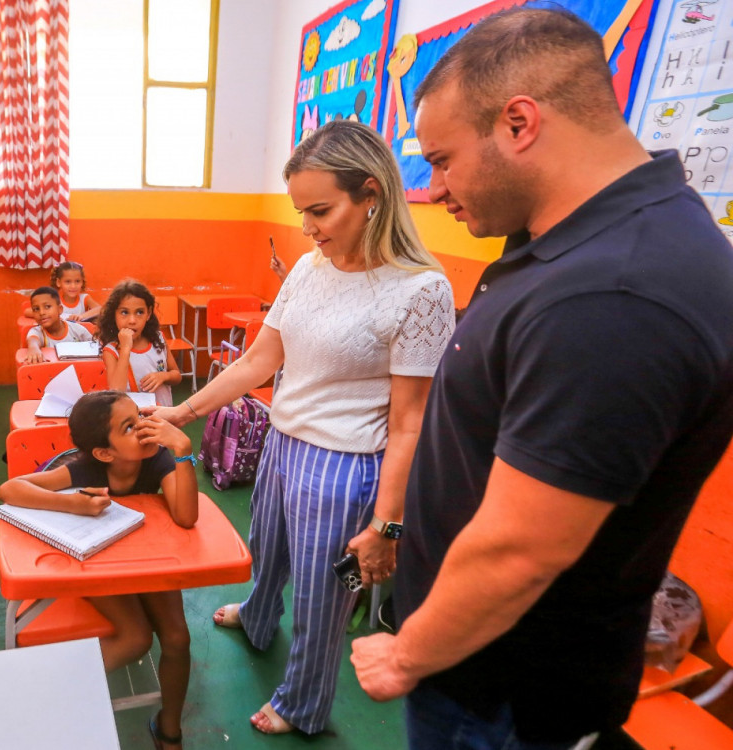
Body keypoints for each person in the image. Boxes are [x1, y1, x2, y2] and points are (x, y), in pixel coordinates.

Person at [349, 9, 733, 748]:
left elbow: (521, 549)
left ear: (519, 123)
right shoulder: (569, 243)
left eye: (442, 159)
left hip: (501, 699)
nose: (432, 189)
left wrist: (406, 654)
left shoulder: (613, 296)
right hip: (481, 670)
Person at [155, 119, 455, 735]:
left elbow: (409, 423)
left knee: (323, 599)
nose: (307, 228)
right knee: (266, 547)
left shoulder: (422, 291)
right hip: (282, 441)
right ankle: (260, 614)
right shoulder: (308, 267)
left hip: (346, 467)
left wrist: (384, 525)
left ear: (371, 195)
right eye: (301, 212)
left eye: (319, 210)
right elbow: (260, 362)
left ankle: (303, 703)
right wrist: (183, 411)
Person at [0, 391, 198, 749]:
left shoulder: (158, 459)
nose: (145, 428)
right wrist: (72, 504)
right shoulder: (86, 468)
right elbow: (9, 488)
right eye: (130, 426)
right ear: (105, 453)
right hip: (99, 566)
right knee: (137, 638)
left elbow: (185, 516)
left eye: (140, 416)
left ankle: (169, 730)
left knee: (178, 639)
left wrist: (182, 450)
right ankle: (50, 691)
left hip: (147, 565)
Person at [98, 279, 182, 407]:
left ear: (148, 314)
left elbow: (176, 375)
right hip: (136, 419)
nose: (132, 320)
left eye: (139, 312)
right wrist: (125, 349)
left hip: (164, 415)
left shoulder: (158, 339)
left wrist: (163, 376)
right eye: (124, 312)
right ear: (113, 315)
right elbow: (116, 392)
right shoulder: (111, 351)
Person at [23, 286, 95, 364]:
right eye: (36, 309)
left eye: (47, 307)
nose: (41, 313)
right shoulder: (37, 331)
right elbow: (33, 340)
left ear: (60, 309)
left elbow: (94, 347)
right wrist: (33, 348)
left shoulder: (77, 329)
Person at [22, 261, 102, 322]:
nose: (73, 286)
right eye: (68, 282)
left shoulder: (84, 299)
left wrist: (82, 316)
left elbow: (101, 309)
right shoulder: (55, 301)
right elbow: (27, 312)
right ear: (59, 282)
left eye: (77, 281)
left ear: (82, 282)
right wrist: (54, 315)